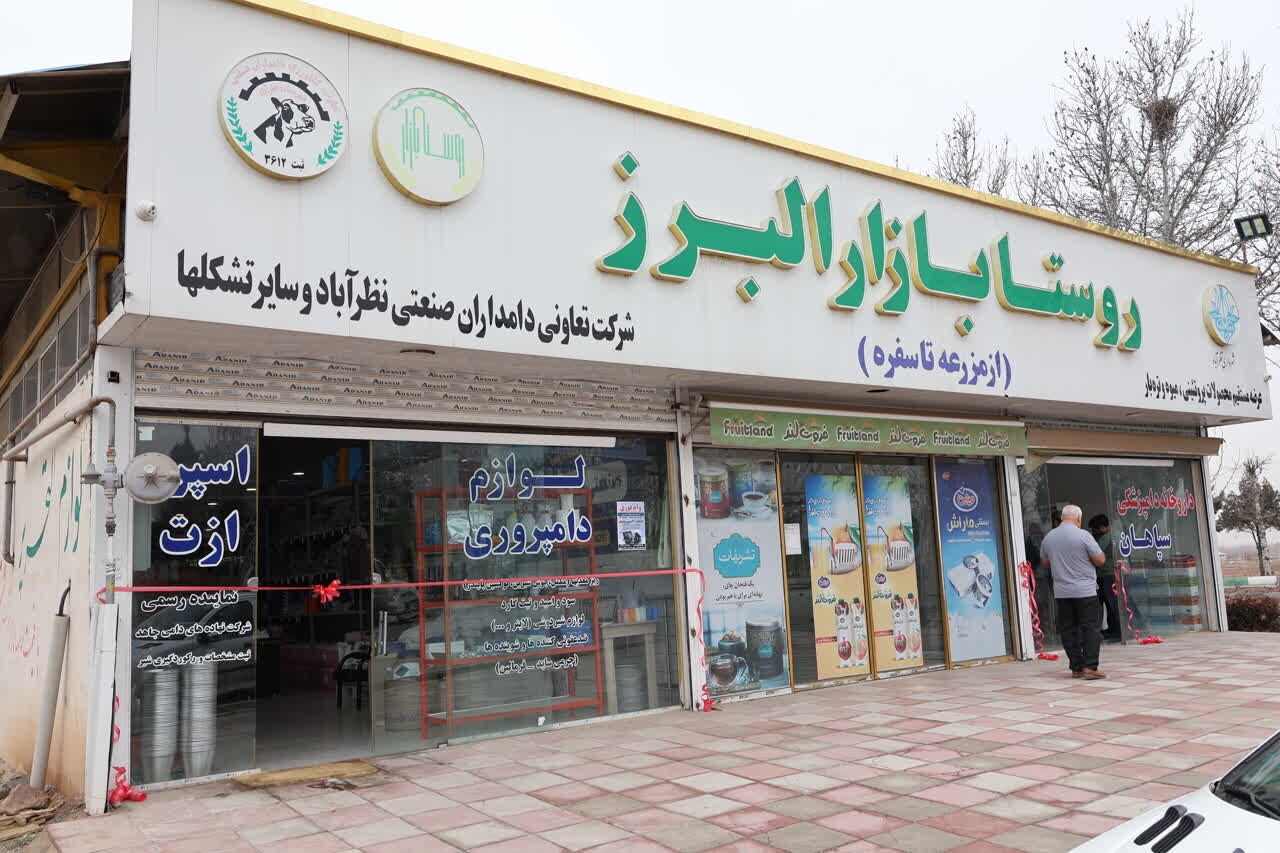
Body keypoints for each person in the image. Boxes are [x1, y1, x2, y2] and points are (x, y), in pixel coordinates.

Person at [1040, 504, 1107, 679]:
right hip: (1085, 591)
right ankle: (1090, 667)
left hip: (1062, 592)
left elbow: (1045, 563)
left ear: (1062, 518)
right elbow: (1100, 560)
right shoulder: (1084, 536)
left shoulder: (1049, 537)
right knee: (1091, 628)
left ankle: (1076, 667)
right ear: (1078, 518)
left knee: (1068, 630)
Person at [1089, 514, 1122, 643]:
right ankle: (1115, 630)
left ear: (1102, 528)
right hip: (1116, 573)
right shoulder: (1118, 534)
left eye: (1095, 530)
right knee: (1114, 603)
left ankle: (1114, 631)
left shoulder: (1105, 538)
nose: (1093, 533)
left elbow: (1095, 555)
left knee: (1108, 604)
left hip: (1107, 575)